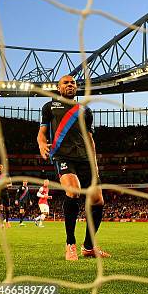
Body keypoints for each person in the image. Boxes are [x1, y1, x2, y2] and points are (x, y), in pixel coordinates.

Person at [37, 75, 110, 260]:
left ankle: (88, 247)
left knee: (97, 200)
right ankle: (70, 244)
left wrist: (95, 164)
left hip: (84, 158)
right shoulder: (49, 107)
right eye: (66, 83)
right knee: (74, 191)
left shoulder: (85, 110)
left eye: (73, 83)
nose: (70, 85)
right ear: (58, 87)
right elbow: (42, 133)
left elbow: (90, 140)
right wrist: (41, 145)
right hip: (62, 155)